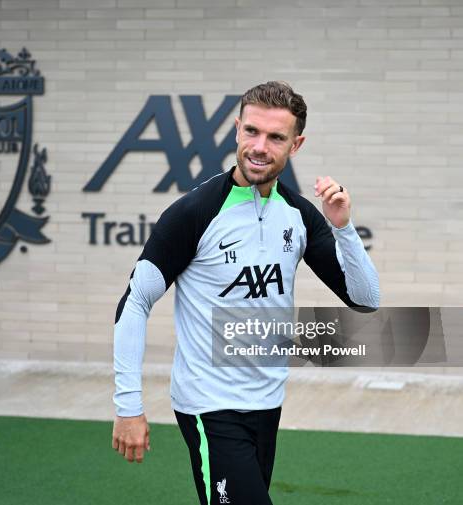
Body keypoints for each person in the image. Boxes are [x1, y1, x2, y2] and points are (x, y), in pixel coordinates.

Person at [111, 81, 380, 505]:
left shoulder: (299, 215)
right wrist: (128, 404)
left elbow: (365, 299)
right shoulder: (194, 213)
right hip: (208, 404)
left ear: (296, 144)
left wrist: (342, 227)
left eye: (275, 137)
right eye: (251, 131)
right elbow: (135, 301)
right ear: (237, 129)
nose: (259, 146)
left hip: (267, 402)